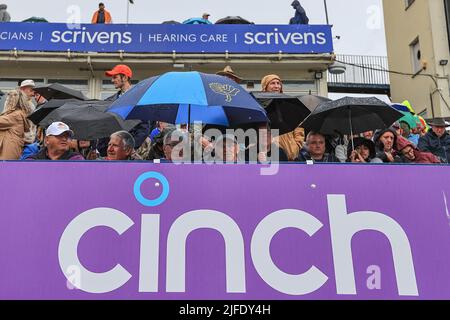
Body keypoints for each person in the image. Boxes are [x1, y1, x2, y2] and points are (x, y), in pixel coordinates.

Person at [99, 64, 150, 155]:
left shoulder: (139, 100)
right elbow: (105, 126)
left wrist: (130, 147)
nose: (112, 80)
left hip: (133, 152)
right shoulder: (110, 101)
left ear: (125, 78)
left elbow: (144, 129)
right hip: (113, 152)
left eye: (115, 77)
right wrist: (104, 148)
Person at [0, 90, 34, 160]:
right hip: (11, 151)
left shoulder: (15, 115)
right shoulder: (18, 114)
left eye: (7, 99)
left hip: (8, 153)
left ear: (11, 101)